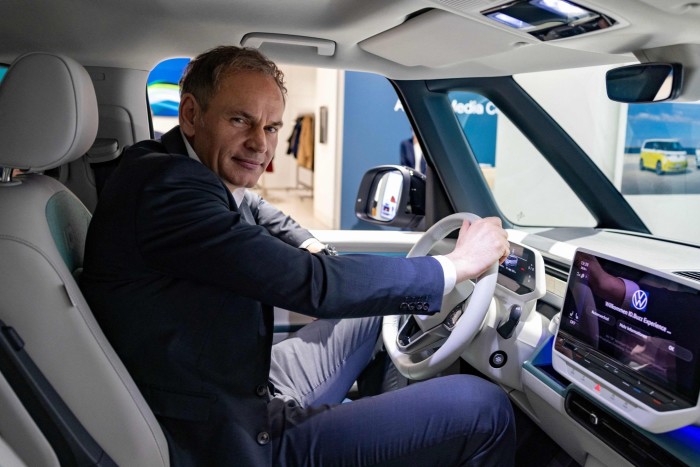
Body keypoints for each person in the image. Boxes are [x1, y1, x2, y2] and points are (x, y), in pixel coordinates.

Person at [81, 45, 515, 466]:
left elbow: (256, 208)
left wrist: (309, 244)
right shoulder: (167, 190)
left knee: (375, 313)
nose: (260, 144)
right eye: (240, 120)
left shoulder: (172, 167)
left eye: (271, 128)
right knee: (483, 406)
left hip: (239, 383)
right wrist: (455, 266)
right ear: (192, 114)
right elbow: (311, 285)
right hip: (229, 435)